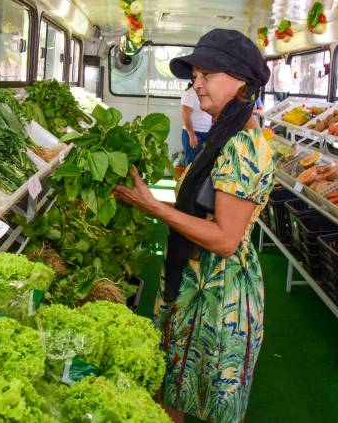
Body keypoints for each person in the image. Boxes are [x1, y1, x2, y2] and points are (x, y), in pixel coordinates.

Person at [114, 29, 273, 423]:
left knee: (209, 396)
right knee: (174, 385)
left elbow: (224, 239)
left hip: (219, 294)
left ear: (242, 84)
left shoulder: (243, 146)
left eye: (208, 74)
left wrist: (152, 206)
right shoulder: (221, 136)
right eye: (195, 75)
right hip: (193, 281)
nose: (196, 83)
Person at [180, 82, 212, 165]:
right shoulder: (191, 93)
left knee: (206, 164)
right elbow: (185, 115)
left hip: (209, 133)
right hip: (194, 133)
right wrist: (192, 135)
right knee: (191, 164)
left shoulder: (210, 91)